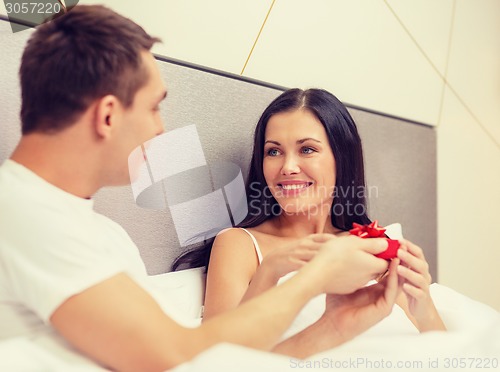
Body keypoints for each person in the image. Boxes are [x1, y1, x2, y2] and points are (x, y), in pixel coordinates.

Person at [0, 5, 402, 371]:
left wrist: (333, 326)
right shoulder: (25, 213)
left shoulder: (100, 233)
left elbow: (195, 357)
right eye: (155, 106)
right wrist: (315, 277)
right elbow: (177, 359)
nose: (160, 128)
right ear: (108, 115)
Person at [176, 88, 445, 336]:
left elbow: (442, 351)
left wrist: (422, 304)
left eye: (307, 149)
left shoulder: (371, 249)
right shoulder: (240, 245)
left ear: (342, 158)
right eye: (273, 151)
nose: (288, 167)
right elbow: (217, 355)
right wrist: (270, 270)